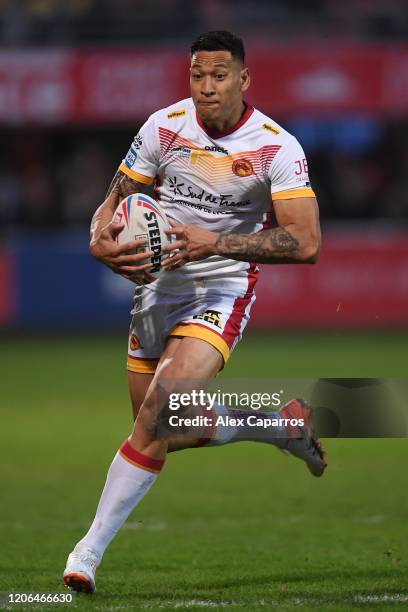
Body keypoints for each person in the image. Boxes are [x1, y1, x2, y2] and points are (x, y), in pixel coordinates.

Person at [63, 30, 326, 594]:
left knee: (160, 408)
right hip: (159, 287)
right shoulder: (162, 127)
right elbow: (111, 205)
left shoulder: (277, 148)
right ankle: (278, 426)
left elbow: (304, 244)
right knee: (162, 428)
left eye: (220, 76)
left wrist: (217, 243)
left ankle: (87, 553)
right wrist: (99, 239)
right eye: (198, 75)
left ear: (244, 80)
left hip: (221, 286)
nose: (207, 88)